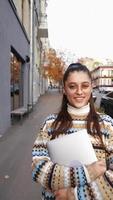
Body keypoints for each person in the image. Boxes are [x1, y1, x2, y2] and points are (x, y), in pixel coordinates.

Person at [31, 62, 113, 200]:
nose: (79, 92)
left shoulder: (107, 124)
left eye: (85, 86)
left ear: (92, 87)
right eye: (72, 86)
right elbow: (38, 168)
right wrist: (89, 172)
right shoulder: (50, 123)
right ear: (64, 89)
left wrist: (73, 195)